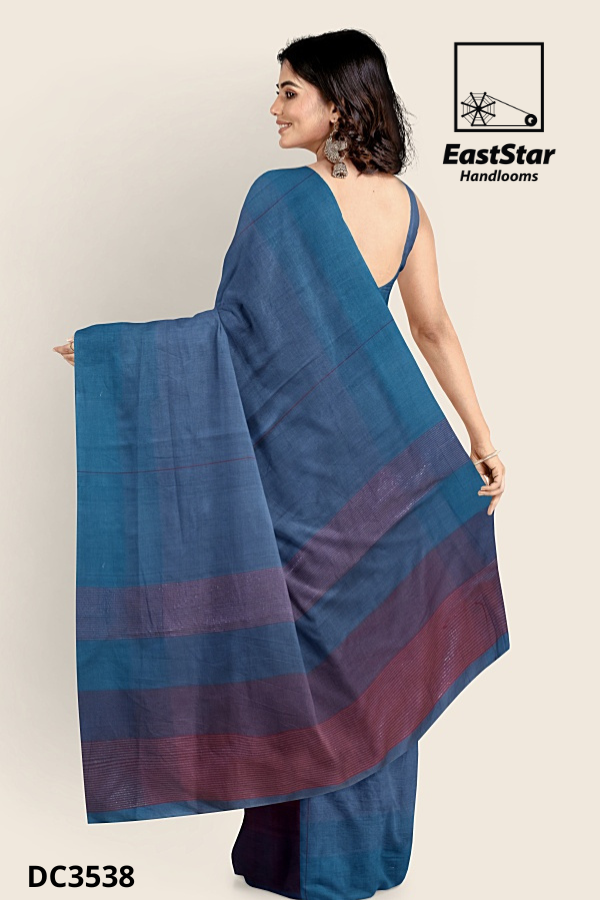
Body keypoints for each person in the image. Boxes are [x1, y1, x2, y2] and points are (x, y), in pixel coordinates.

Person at [53, 29, 508, 900]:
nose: (274, 107)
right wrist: (479, 435)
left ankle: (302, 864)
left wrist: (115, 355)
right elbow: (433, 330)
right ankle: (359, 860)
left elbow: (230, 335)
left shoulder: (279, 198)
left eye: (290, 91)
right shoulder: (406, 208)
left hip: (302, 477)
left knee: (308, 657)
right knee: (370, 649)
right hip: (389, 471)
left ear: (338, 103)